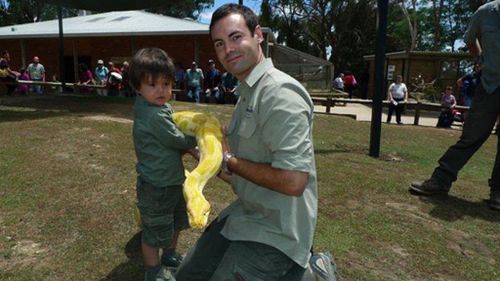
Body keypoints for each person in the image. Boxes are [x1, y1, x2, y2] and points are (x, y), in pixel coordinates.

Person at [176, 4, 318, 281]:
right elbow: (234, 171)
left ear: (258, 35)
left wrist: (229, 159)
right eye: (219, 43)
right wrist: (192, 149)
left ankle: (306, 272)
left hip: (278, 231)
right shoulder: (248, 92)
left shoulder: (280, 94)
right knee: (187, 276)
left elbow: (294, 182)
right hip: (245, 212)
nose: (228, 49)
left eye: (236, 37)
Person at [410, 0, 500, 211]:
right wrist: (479, 59)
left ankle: (498, 192)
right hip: (489, 86)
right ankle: (440, 180)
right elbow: (470, 39)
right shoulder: (485, 13)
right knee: (472, 136)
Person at [129, 47, 198, 281]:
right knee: (153, 231)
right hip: (156, 185)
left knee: (174, 221)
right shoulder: (153, 115)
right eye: (153, 84)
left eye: (166, 84)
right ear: (137, 87)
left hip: (172, 181)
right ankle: (153, 270)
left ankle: (169, 255)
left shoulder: (158, 107)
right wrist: (195, 138)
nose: (162, 90)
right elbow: (176, 139)